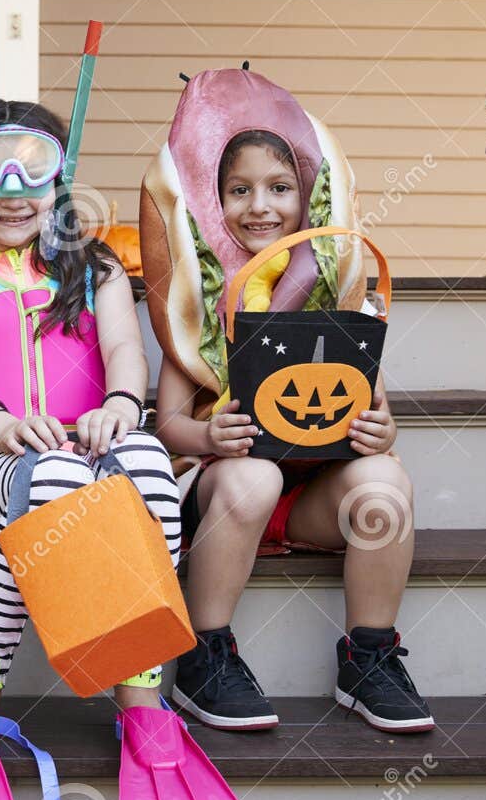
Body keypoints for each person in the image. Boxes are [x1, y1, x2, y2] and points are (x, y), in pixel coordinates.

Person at [0, 100, 240, 800]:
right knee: (53, 477)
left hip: (91, 469)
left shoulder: (97, 269)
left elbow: (125, 353)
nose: (14, 193)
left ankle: (140, 699)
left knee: (144, 453)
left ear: (59, 182)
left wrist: (119, 404)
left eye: (34, 172)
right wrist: (0, 422)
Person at [142, 67, 433, 734]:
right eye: (238, 190)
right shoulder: (197, 306)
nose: (260, 206)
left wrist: (379, 429)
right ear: (214, 202)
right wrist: (211, 438)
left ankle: (370, 656)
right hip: (227, 493)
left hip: (306, 503)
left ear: (308, 199)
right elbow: (168, 426)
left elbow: (375, 416)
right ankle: (206, 651)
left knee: (385, 484)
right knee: (255, 473)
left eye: (280, 189)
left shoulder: (337, 304)